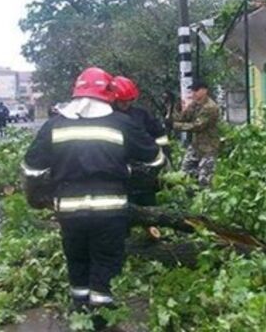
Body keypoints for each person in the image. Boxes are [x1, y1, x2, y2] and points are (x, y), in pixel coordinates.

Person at [21, 67, 165, 323]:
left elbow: (32, 170)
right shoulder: (123, 124)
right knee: (105, 261)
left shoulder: (54, 125)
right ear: (108, 95)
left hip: (68, 210)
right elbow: (155, 160)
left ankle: (79, 309)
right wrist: (129, 174)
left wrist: (38, 198)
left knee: (77, 258)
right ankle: (100, 317)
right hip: (111, 210)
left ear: (76, 92)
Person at [112, 76, 169, 239]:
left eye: (128, 100)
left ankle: (152, 231)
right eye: (122, 101)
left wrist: (164, 155)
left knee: (148, 201)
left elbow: (159, 135)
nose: (126, 104)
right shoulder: (107, 116)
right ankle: (124, 237)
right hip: (120, 168)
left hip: (144, 168)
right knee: (122, 206)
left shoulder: (141, 115)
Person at [173, 80, 219, 188]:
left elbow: (197, 126)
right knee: (184, 172)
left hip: (208, 147)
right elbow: (183, 117)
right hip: (196, 146)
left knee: (204, 179)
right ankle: (189, 197)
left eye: (196, 90)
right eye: (193, 91)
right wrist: (177, 108)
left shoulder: (210, 107)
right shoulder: (195, 104)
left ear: (204, 91)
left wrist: (177, 126)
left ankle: (205, 201)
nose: (194, 93)